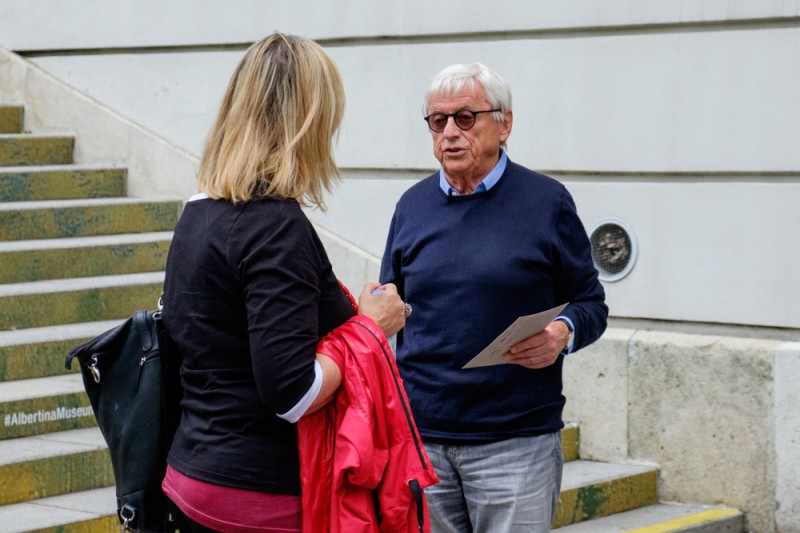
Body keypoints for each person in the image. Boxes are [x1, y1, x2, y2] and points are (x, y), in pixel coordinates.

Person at [160, 32, 407, 533]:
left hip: (192, 475)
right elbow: (292, 393)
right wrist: (370, 329)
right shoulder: (275, 226)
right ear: (308, 121)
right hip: (261, 496)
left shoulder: (197, 213)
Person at [380, 62, 608, 533]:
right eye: (438, 121)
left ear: (504, 124)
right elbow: (391, 308)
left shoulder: (547, 201)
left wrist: (561, 334)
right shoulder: (411, 206)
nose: (450, 133)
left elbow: (590, 303)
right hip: (422, 441)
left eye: (465, 118)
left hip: (514, 443)